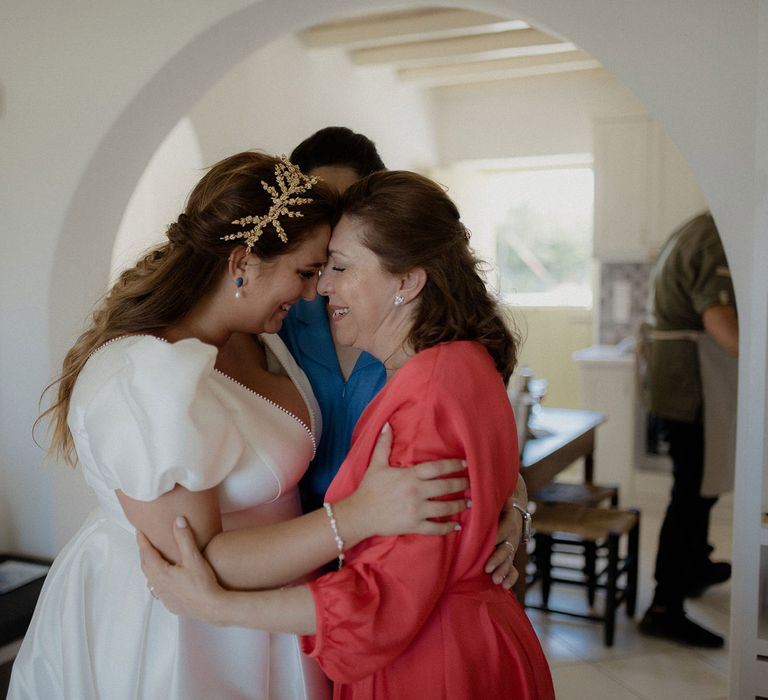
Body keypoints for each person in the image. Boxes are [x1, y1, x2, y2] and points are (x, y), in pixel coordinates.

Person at [9, 152, 469, 700]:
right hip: (177, 630)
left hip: (272, 615)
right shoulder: (146, 376)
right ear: (243, 263)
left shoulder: (265, 339)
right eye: (303, 272)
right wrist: (359, 516)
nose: (310, 294)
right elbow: (195, 562)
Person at [139, 170, 556, 699]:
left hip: (432, 662)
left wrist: (217, 606)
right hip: (454, 640)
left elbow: (382, 601)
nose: (323, 288)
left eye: (339, 267)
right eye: (317, 269)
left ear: (407, 280)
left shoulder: (426, 392)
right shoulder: (465, 362)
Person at [283, 126, 528, 587]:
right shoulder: (284, 322)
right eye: (318, 208)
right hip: (299, 547)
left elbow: (481, 445)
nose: (330, 224)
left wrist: (512, 507)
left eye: (343, 208)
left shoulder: (431, 343)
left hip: (396, 553)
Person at [638, 212, 738, 648]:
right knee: (691, 493)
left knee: (700, 487)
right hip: (690, 384)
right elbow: (717, 317)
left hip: (676, 381)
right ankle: (665, 606)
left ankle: (695, 566)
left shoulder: (693, 226)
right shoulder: (717, 234)